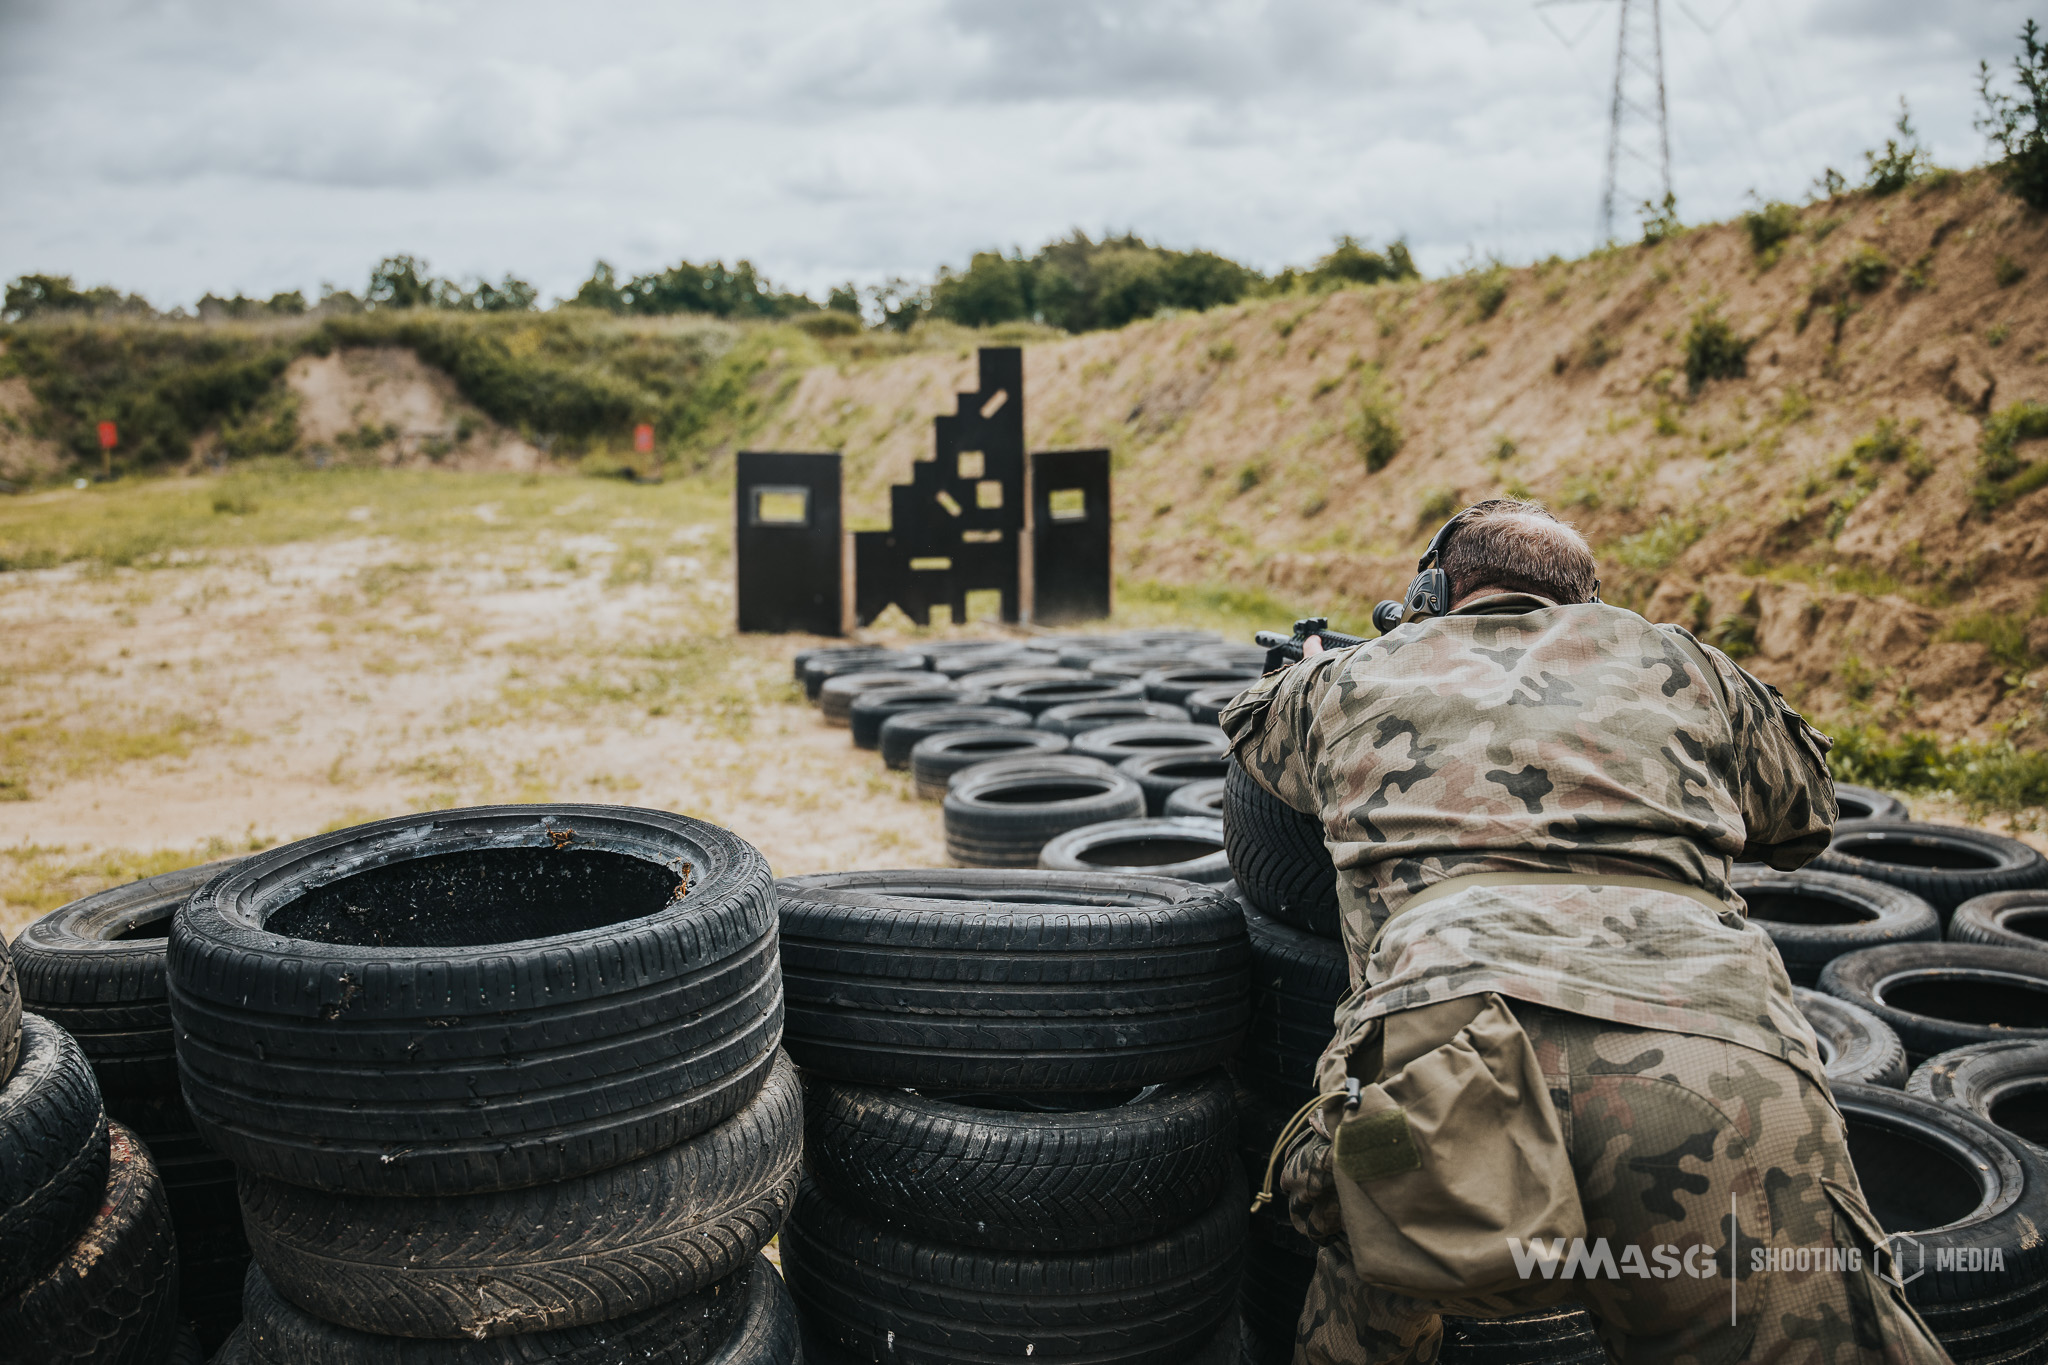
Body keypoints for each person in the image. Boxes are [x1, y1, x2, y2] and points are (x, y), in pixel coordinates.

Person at [1221, 499, 1948, 1365]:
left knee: (1360, 1294)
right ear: (1589, 596)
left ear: (1430, 590)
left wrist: (1314, 667)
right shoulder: (1684, 661)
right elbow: (1805, 817)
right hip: (1712, 1053)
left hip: (1440, 1062)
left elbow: (1253, 730)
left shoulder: (1354, 675)